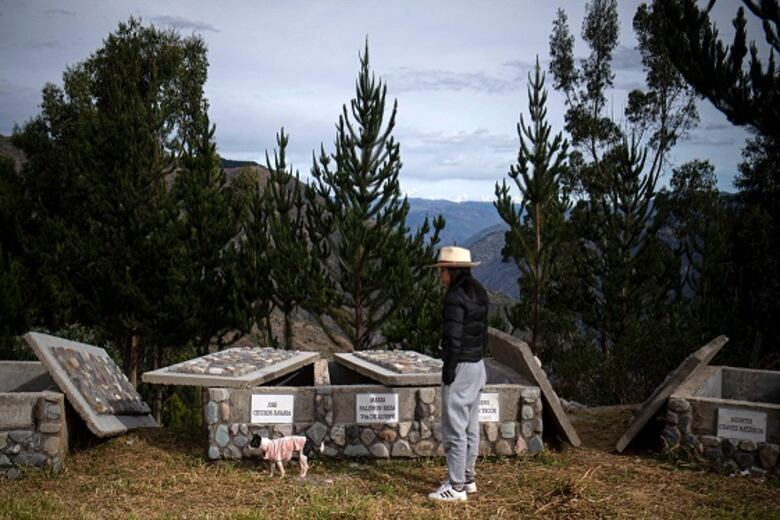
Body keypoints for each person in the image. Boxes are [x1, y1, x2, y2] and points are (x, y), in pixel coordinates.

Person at [427, 246, 489, 502]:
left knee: (454, 428)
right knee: (471, 426)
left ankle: (456, 487)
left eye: (442, 270)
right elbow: (482, 332)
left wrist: (448, 369)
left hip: (461, 366)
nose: (440, 275)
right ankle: (468, 478)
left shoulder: (455, 297)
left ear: (450, 271)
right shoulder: (479, 292)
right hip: (478, 366)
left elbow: (453, 338)